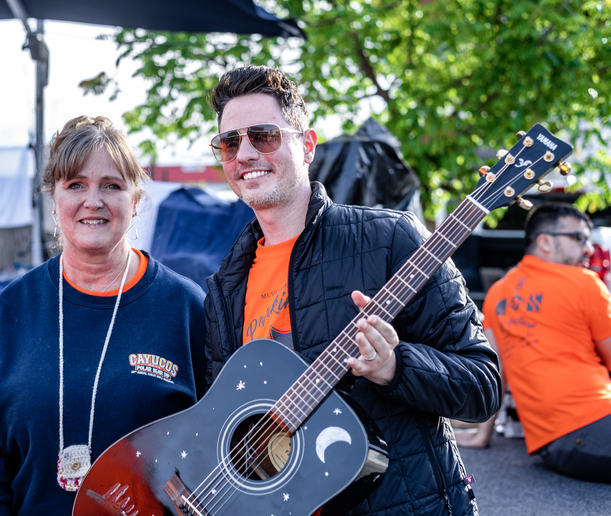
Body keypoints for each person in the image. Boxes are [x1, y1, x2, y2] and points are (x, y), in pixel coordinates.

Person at [204, 66, 501, 515]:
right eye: (230, 142)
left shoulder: (390, 239)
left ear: (306, 146)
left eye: (263, 135)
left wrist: (395, 366)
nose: (244, 153)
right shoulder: (226, 286)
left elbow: (482, 384)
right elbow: (229, 427)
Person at [0, 115, 207, 515]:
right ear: (54, 200)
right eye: (76, 185)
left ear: (135, 201)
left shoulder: (187, 309)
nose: (93, 201)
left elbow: (223, 447)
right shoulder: (7, 313)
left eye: (112, 186)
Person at [458, 203, 611, 483]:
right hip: (595, 420)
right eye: (579, 238)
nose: (589, 249)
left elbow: (496, 372)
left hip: (554, 447)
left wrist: (483, 435)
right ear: (544, 242)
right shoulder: (585, 283)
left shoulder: (497, 293)